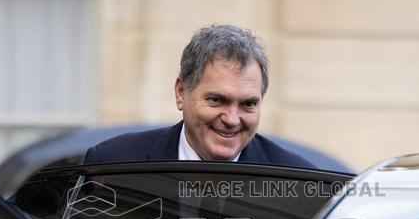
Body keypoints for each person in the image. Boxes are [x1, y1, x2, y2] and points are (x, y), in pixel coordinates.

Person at [83, 24, 316, 168]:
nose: (232, 119)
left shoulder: (299, 183)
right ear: (181, 92)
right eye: (217, 100)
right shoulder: (112, 164)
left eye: (248, 104)